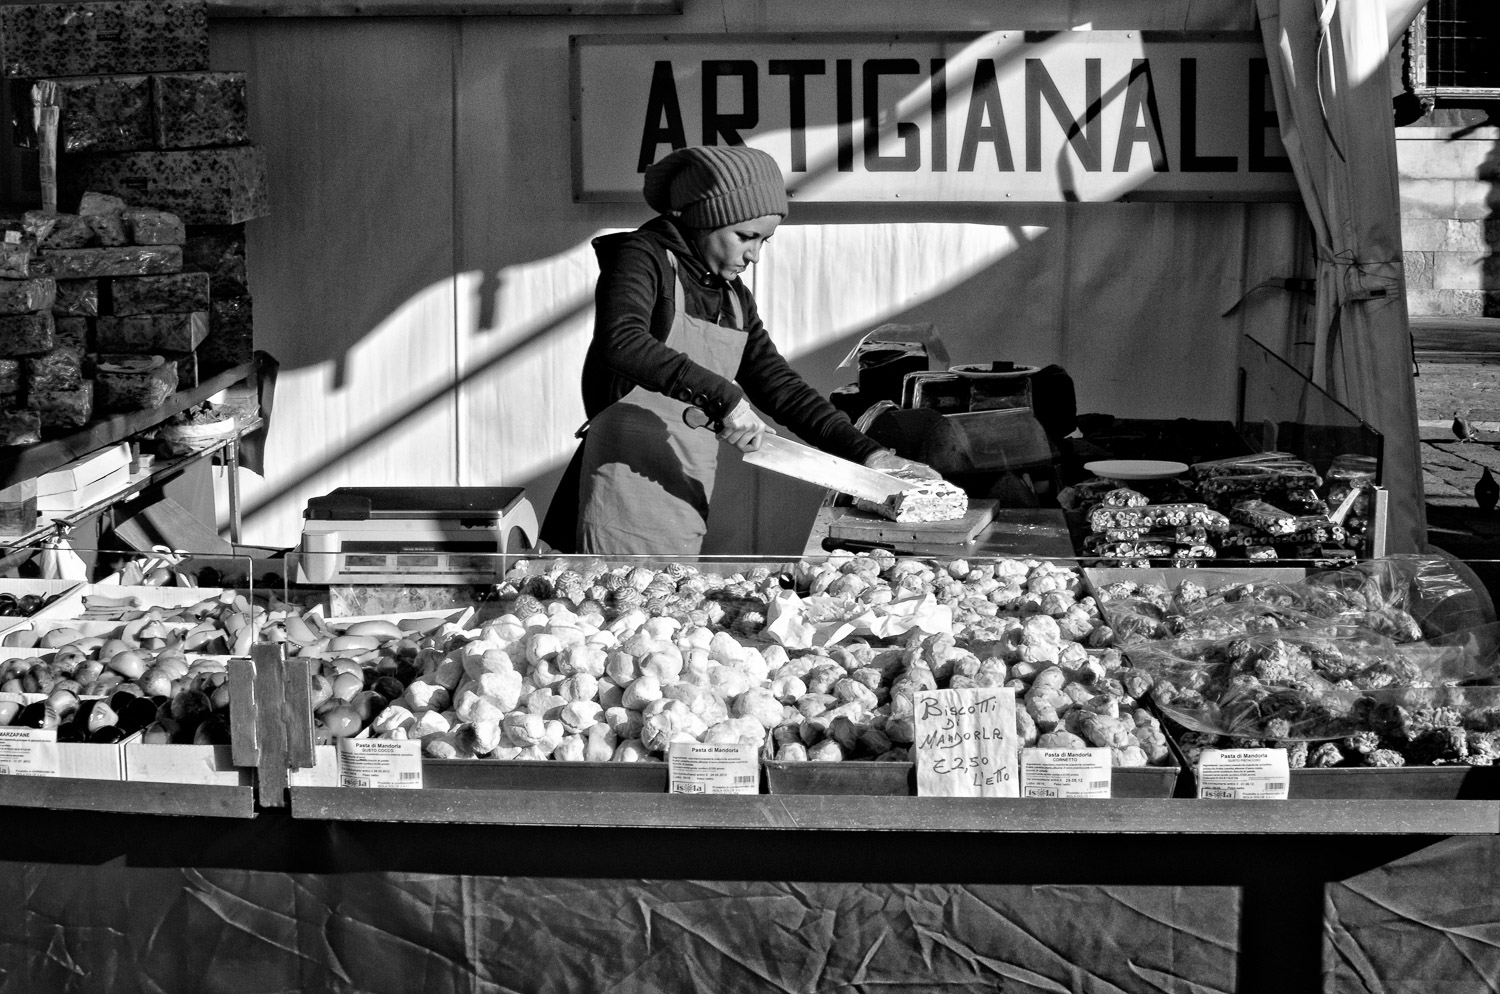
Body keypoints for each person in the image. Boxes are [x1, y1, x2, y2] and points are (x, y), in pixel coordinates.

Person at [540, 144, 940, 556]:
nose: (755, 256)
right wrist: (727, 399)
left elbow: (780, 388)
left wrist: (869, 456)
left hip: (683, 487)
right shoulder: (642, 258)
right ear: (702, 219)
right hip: (620, 489)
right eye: (745, 237)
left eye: (765, 240)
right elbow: (622, 341)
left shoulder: (733, 298)